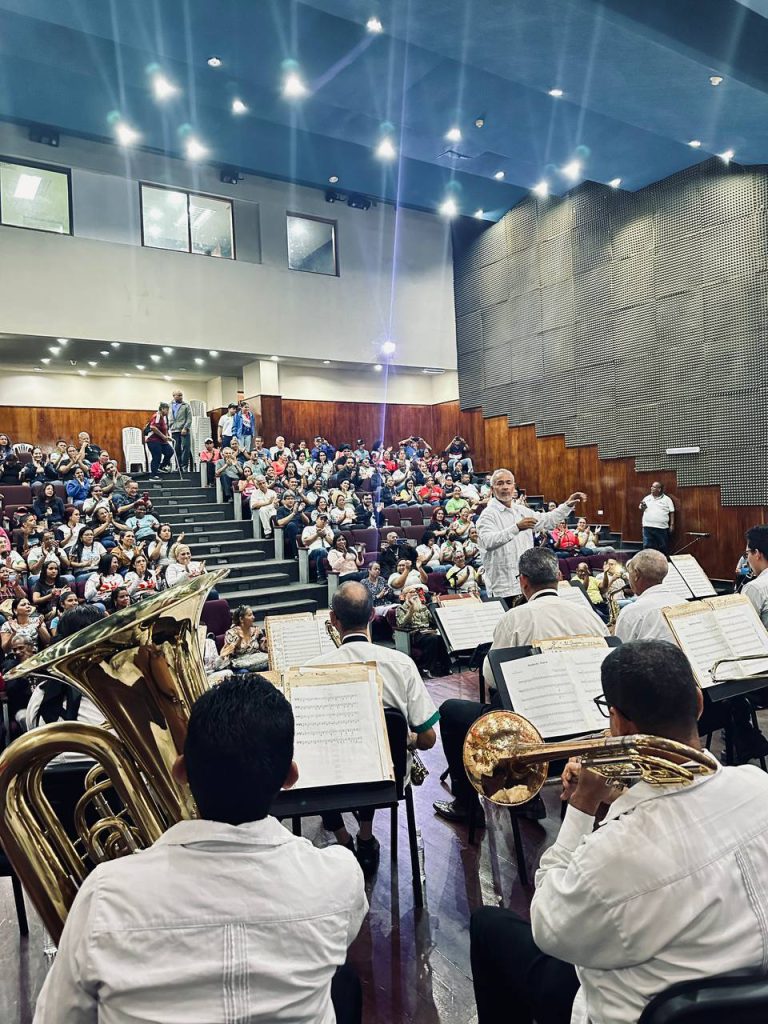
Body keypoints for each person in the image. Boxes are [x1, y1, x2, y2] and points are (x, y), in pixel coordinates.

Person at [33, 674, 368, 1024]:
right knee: (342, 985)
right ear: (290, 776)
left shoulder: (104, 893)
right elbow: (339, 940)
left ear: (181, 770)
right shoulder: (338, 876)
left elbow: (57, 1017)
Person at [469, 640, 768, 1024]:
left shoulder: (612, 856)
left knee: (489, 926)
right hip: (744, 1001)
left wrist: (583, 806)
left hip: (637, 1010)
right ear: (697, 702)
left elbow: (548, 926)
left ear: (619, 722)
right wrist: (627, 793)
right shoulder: (759, 785)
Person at [434, 548, 608, 826]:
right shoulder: (588, 615)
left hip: (537, 745)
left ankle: (469, 805)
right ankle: (527, 798)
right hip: (590, 734)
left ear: (523, 581)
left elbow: (491, 678)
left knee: (452, 710)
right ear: (560, 577)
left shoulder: (514, 618)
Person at [306, 582, 438, 876]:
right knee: (373, 761)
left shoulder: (310, 670)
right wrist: (405, 737)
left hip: (332, 780)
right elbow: (428, 739)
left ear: (333, 620)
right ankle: (366, 838)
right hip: (387, 781)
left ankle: (343, 840)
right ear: (373, 617)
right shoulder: (401, 665)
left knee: (325, 759)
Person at [477, 469, 586, 603]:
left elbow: (548, 520)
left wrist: (568, 505)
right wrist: (517, 527)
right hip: (503, 587)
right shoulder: (487, 515)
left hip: (528, 584)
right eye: (500, 483)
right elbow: (488, 542)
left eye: (508, 483)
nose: (505, 487)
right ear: (492, 489)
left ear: (513, 486)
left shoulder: (521, 510)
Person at [614, 549, 688, 642]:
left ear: (636, 574)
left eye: (629, 573)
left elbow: (621, 653)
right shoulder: (686, 604)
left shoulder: (630, 613)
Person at [640, 481, 676, 555]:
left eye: (653, 487)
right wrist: (643, 506)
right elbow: (642, 509)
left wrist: (672, 524)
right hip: (647, 527)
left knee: (663, 547)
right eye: (651, 487)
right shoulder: (646, 498)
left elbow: (672, 512)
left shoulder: (667, 499)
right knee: (647, 546)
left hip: (661, 528)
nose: (651, 488)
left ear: (659, 489)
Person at [743, 524, 768, 628]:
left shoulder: (755, 588)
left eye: (747, 553)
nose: (747, 559)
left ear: (757, 553)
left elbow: (745, 628)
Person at [146, 401, 175, 479]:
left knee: (170, 451)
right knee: (157, 457)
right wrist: (163, 436)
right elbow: (153, 427)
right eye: (167, 410)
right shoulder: (157, 416)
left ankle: (161, 467)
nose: (168, 412)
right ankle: (153, 475)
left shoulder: (163, 418)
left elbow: (162, 429)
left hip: (161, 441)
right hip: (153, 441)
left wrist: (167, 437)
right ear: (162, 409)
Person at [300, 514, 333, 582]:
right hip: (313, 551)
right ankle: (321, 577)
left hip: (328, 549)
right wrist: (317, 535)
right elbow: (305, 542)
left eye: (325, 520)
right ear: (316, 520)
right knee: (321, 550)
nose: (323, 521)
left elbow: (333, 543)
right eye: (321, 519)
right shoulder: (308, 528)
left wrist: (325, 535)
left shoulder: (328, 529)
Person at [169, 388, 192, 472]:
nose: (180, 397)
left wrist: (185, 428)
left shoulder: (186, 405)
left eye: (181, 395)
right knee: (176, 448)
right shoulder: (169, 405)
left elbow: (189, 418)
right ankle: (178, 467)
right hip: (174, 430)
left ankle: (184, 466)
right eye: (178, 395)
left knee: (186, 447)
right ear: (174, 396)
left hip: (184, 430)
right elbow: (167, 418)